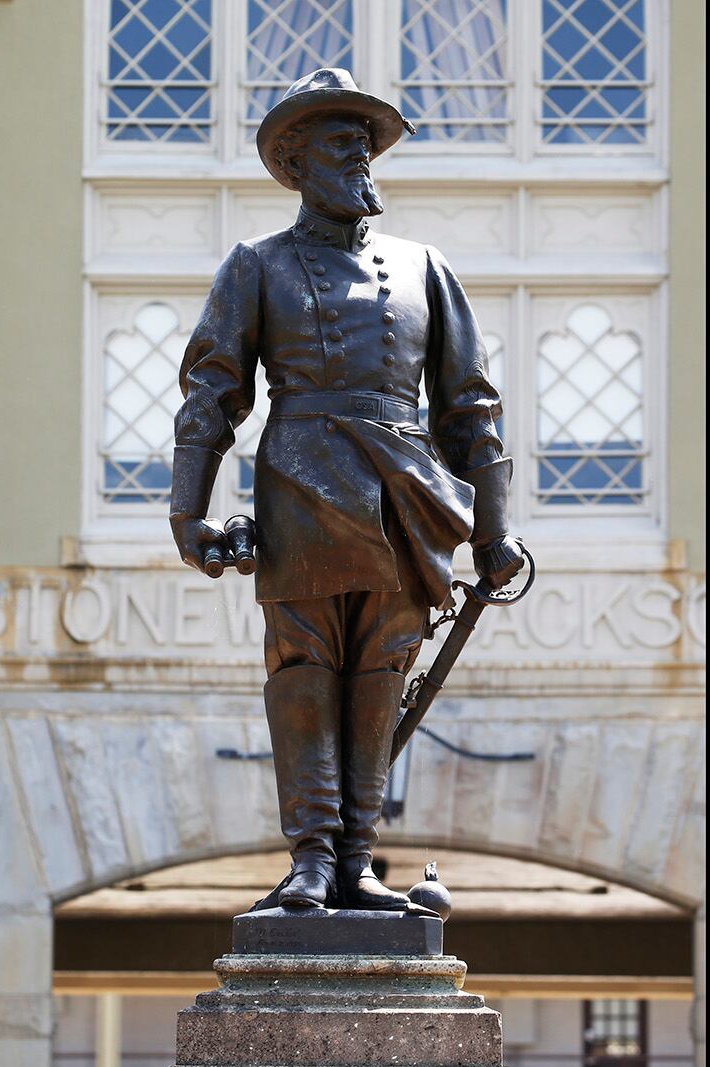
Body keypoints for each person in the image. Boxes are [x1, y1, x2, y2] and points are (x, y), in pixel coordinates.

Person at [168, 69, 525, 913]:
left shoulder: (424, 267)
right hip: (299, 485)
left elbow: (471, 404)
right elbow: (212, 392)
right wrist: (188, 511)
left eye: (366, 137)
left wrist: (495, 529)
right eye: (339, 137)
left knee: (380, 671)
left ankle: (358, 859)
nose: (360, 149)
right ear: (295, 160)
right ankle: (312, 856)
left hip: (408, 498)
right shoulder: (256, 265)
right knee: (303, 667)